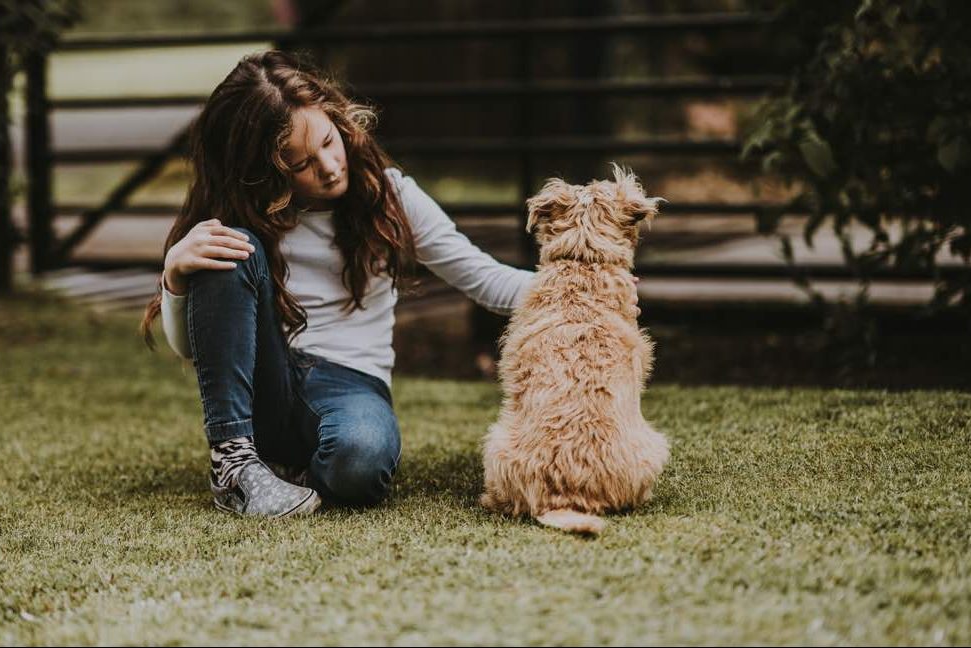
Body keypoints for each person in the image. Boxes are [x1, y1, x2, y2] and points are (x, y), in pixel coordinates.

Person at [139, 50, 639, 518]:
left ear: (339, 119)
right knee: (228, 247)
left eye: (328, 142)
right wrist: (176, 276)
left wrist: (586, 290)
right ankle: (235, 466)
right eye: (300, 164)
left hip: (350, 381)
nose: (330, 167)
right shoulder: (234, 221)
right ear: (260, 172)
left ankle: (287, 475)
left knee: (361, 464)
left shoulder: (390, 195)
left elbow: (482, 278)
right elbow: (193, 352)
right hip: (263, 382)